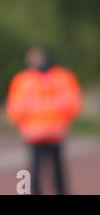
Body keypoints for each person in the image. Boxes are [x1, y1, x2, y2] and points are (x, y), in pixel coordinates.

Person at [6, 46, 82, 195]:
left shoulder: (23, 80)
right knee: (52, 170)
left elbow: (14, 108)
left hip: (41, 132)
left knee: (42, 169)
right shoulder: (62, 77)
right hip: (47, 132)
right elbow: (73, 103)